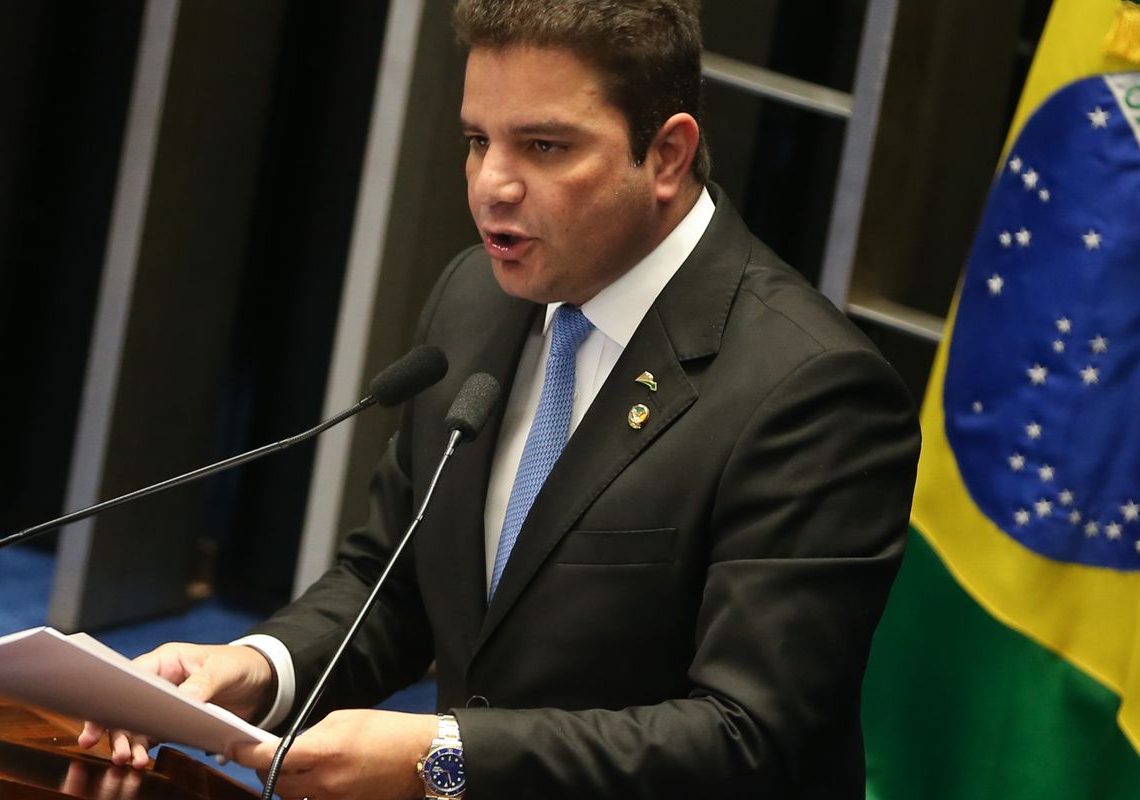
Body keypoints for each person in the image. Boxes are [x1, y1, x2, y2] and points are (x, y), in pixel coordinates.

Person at [81, 1, 921, 797]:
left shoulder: (810, 390)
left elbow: (749, 739)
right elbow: (395, 580)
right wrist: (260, 667)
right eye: (478, 140)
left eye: (544, 146)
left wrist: (442, 762)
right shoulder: (475, 299)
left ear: (666, 155)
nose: (492, 184)